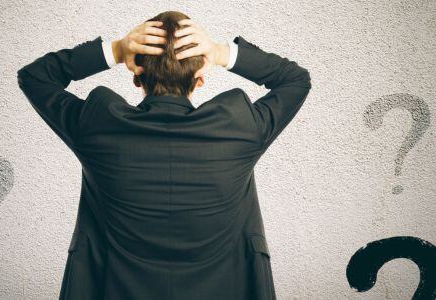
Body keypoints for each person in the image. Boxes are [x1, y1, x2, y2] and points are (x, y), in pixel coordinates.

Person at [17, 10, 311, 300]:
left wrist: (117, 50)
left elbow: (35, 77)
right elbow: (295, 80)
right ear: (200, 78)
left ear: (136, 77)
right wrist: (220, 53)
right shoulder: (240, 126)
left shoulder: (97, 124)